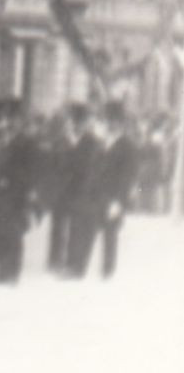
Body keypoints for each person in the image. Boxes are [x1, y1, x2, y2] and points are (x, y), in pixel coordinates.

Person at [67, 101, 139, 280]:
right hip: (95, 194)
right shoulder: (101, 142)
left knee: (110, 235)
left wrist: (119, 202)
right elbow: (94, 168)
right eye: (108, 120)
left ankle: (108, 272)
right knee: (86, 230)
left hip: (113, 196)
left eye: (114, 121)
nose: (110, 124)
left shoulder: (127, 145)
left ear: (121, 123)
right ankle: (78, 268)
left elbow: (128, 176)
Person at [0, 98, 36, 284]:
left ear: (21, 120)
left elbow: (29, 170)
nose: (10, 122)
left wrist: (10, 180)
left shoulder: (26, 142)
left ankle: (11, 273)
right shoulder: (0, 138)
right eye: (8, 118)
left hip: (15, 194)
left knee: (13, 233)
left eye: (15, 118)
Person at [48, 102, 96, 274]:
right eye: (73, 121)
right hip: (61, 188)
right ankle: (55, 259)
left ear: (85, 123)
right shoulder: (62, 140)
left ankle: (73, 264)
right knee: (58, 224)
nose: (76, 125)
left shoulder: (90, 141)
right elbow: (53, 163)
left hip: (80, 189)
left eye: (79, 121)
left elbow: (90, 167)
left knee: (77, 227)